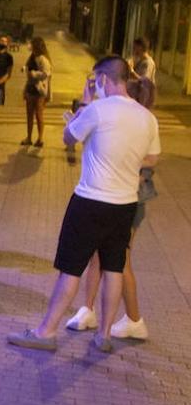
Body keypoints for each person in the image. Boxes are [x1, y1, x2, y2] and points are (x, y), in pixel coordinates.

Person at [7, 56, 160, 354]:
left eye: (95, 80)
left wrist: (83, 108)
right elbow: (152, 158)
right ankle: (103, 334)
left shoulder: (98, 110)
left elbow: (67, 138)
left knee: (71, 269)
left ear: (103, 79)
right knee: (114, 267)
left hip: (90, 200)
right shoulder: (146, 117)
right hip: (124, 204)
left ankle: (46, 331)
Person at [64, 75, 157, 341]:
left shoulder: (140, 122)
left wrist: (127, 165)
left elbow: (152, 160)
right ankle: (88, 309)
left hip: (127, 199)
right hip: (118, 198)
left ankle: (135, 320)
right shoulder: (138, 120)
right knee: (100, 257)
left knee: (119, 261)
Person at [22, 36, 53, 147]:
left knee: (39, 115)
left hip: (39, 91)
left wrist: (34, 74)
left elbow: (46, 73)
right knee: (29, 115)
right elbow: (27, 68)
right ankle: (29, 138)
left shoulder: (43, 59)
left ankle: (40, 138)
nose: (30, 47)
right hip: (30, 89)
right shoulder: (32, 57)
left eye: (32, 44)